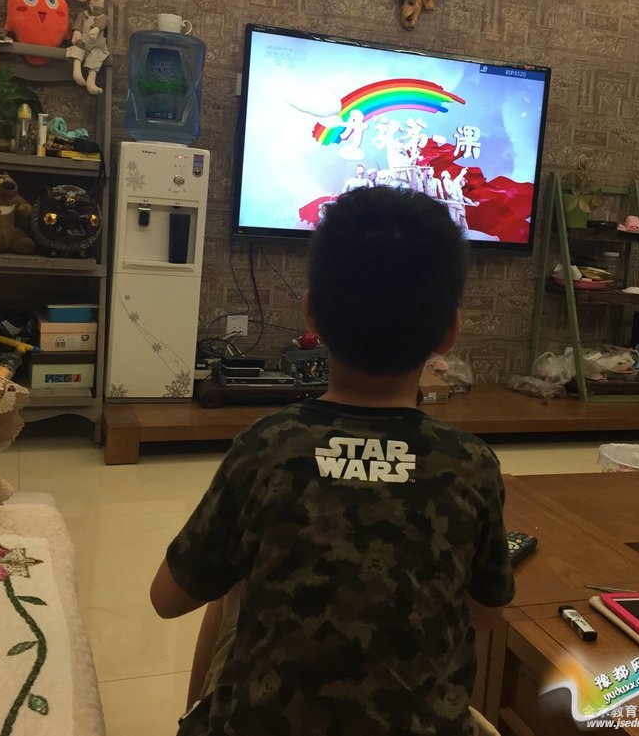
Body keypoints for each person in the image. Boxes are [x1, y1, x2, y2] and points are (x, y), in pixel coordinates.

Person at [150, 186, 514, 736]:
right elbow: (486, 616)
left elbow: (167, 598)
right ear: (449, 333)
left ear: (311, 316)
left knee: (236, 578)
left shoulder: (267, 446)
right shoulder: (470, 464)